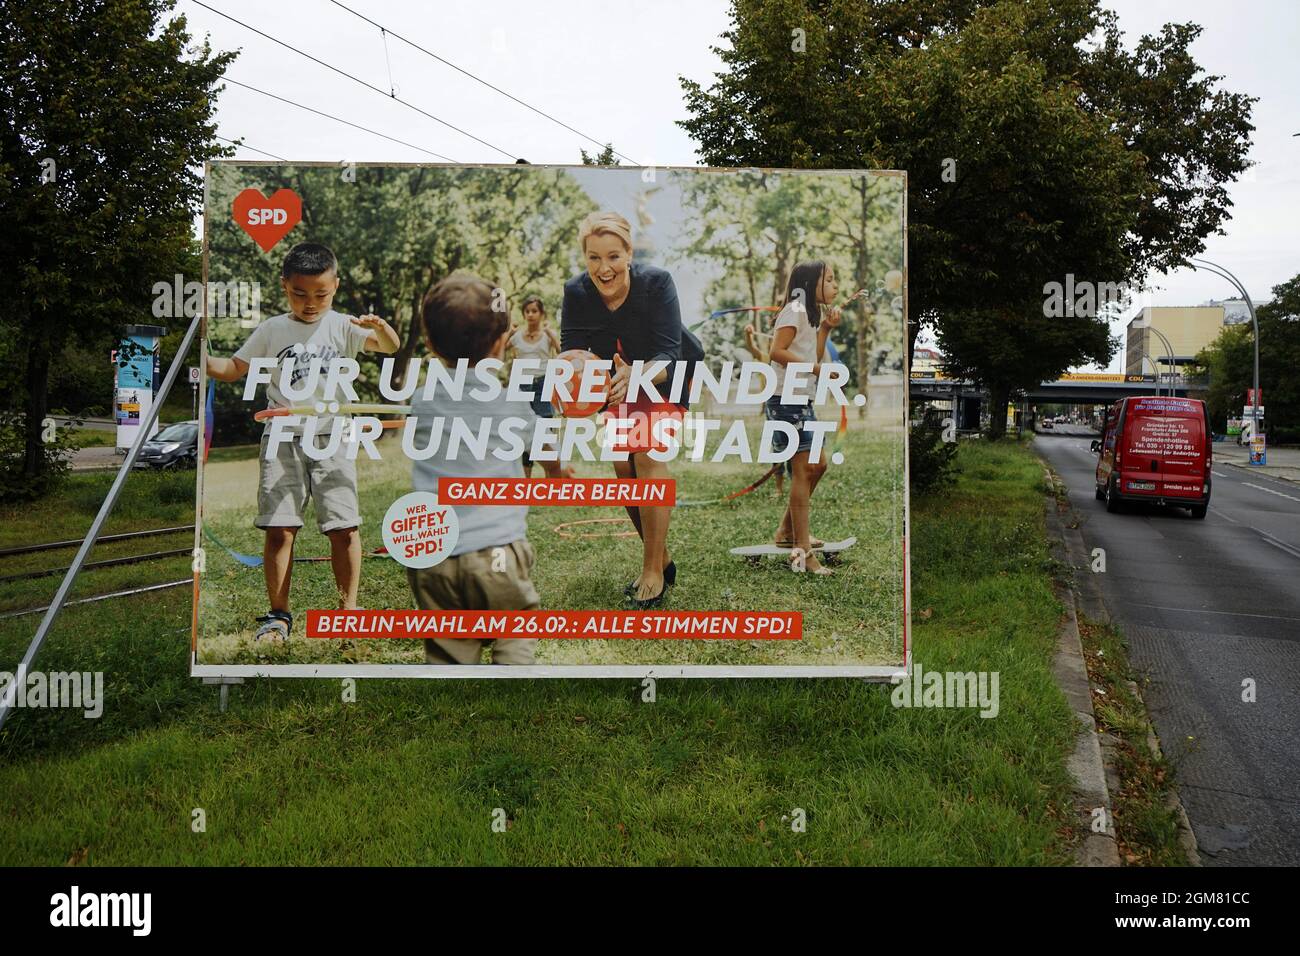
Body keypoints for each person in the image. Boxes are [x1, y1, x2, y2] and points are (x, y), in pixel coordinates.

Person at [205, 242, 401, 640]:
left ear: (336, 286)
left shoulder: (345, 325)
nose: (310, 303)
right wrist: (202, 358)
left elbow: (390, 347)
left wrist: (382, 329)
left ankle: (348, 612)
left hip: (332, 437)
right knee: (280, 528)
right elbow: (232, 369)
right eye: (299, 293)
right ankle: (278, 616)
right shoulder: (272, 329)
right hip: (282, 437)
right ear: (284, 286)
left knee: (343, 527)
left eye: (321, 294)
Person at [561, 211, 703, 608]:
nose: (603, 268)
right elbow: (571, 350)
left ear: (628, 253)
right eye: (593, 258)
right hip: (616, 381)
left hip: (665, 373)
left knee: (646, 453)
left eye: (612, 256)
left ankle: (651, 571)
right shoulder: (576, 292)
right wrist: (579, 388)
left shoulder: (656, 283)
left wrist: (636, 376)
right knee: (623, 467)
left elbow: (668, 352)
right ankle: (662, 555)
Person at [407, 273, 542, 665]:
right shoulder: (512, 403)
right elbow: (544, 446)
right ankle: (511, 692)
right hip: (497, 551)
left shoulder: (422, 400)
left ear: (430, 343)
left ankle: (452, 708)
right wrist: (555, 472)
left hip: (433, 557)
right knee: (515, 627)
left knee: (450, 648)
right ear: (502, 343)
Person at [766, 261, 843, 575]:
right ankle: (802, 554)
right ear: (812, 283)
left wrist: (825, 329)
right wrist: (816, 370)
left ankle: (787, 533)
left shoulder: (810, 316)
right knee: (802, 470)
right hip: (786, 398)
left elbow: (814, 354)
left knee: (819, 465)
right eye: (830, 279)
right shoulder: (794, 311)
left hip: (802, 398)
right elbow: (776, 351)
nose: (836, 285)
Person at [506, 296, 572, 479]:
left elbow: (563, 354)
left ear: (541, 314)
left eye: (534, 311)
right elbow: (499, 349)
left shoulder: (546, 336)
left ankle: (551, 477)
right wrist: (509, 333)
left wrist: (551, 334)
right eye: (527, 311)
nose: (530, 315)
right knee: (524, 429)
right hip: (521, 385)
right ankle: (525, 478)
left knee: (545, 429)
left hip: (543, 383)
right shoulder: (518, 336)